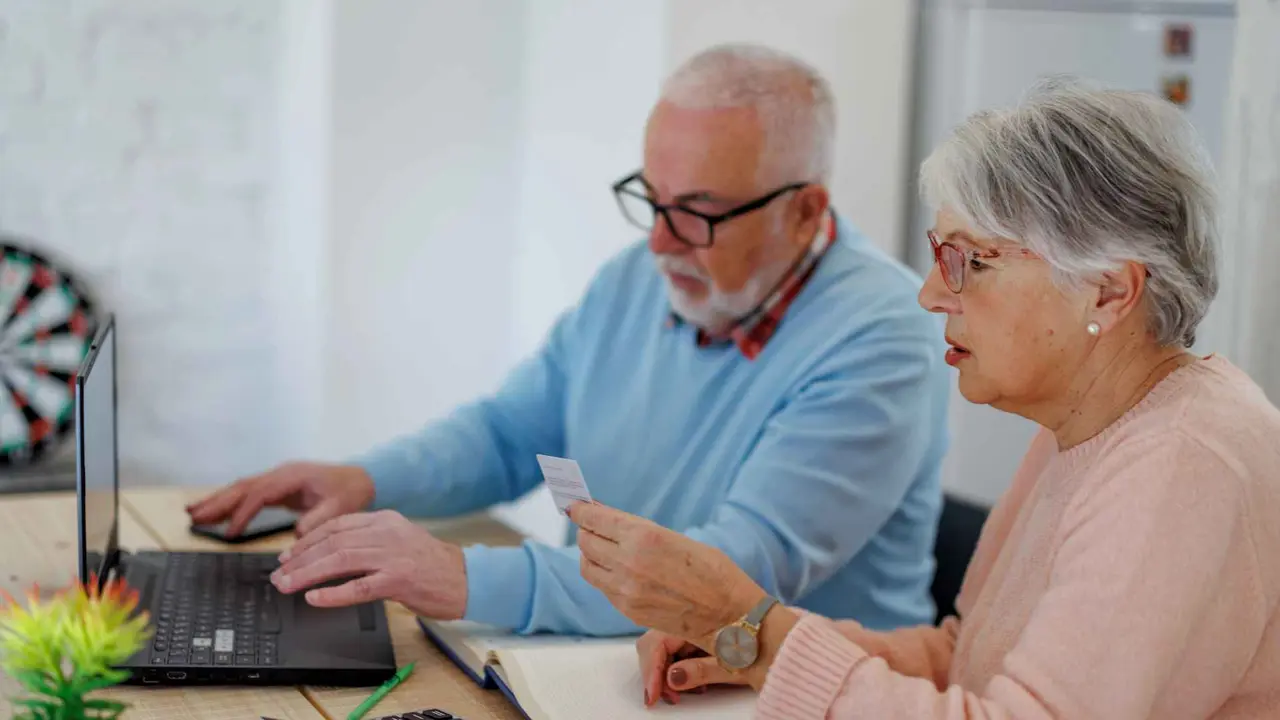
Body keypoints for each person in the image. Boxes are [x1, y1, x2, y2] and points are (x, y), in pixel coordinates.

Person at [185, 43, 952, 637]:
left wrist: (460, 576)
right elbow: (511, 435)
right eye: (651, 199)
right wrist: (361, 480)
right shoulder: (642, 276)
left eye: (697, 211)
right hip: (617, 661)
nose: (658, 242)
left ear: (803, 210)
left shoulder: (881, 342)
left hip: (786, 693)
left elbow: (723, 578)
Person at [569, 78, 1280, 717]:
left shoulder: (1183, 462)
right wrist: (743, 645)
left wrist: (753, 632)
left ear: (1110, 289)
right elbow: (967, 659)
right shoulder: (1085, 423)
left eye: (969, 261)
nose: (932, 293)